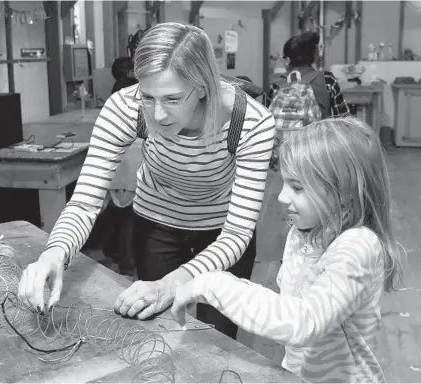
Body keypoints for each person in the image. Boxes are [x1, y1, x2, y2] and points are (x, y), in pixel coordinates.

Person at [18, 22, 276, 339]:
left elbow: (237, 232)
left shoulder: (251, 122)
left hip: (222, 231)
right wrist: (53, 253)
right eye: (148, 97)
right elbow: (85, 203)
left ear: (204, 86)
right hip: (157, 223)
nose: (158, 115)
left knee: (217, 335)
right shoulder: (126, 107)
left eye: (173, 99)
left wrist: (172, 284)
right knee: (158, 329)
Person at [172, 117, 403, 383]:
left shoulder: (357, 245)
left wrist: (211, 285)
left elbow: (304, 321)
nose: (281, 197)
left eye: (297, 187)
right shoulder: (303, 233)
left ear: (344, 192)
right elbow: (289, 307)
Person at [268, 31, 349, 118]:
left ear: (287, 60)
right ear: (313, 56)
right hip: (317, 131)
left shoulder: (276, 85)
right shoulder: (327, 80)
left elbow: (265, 120)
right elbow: (342, 119)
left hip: (283, 131)